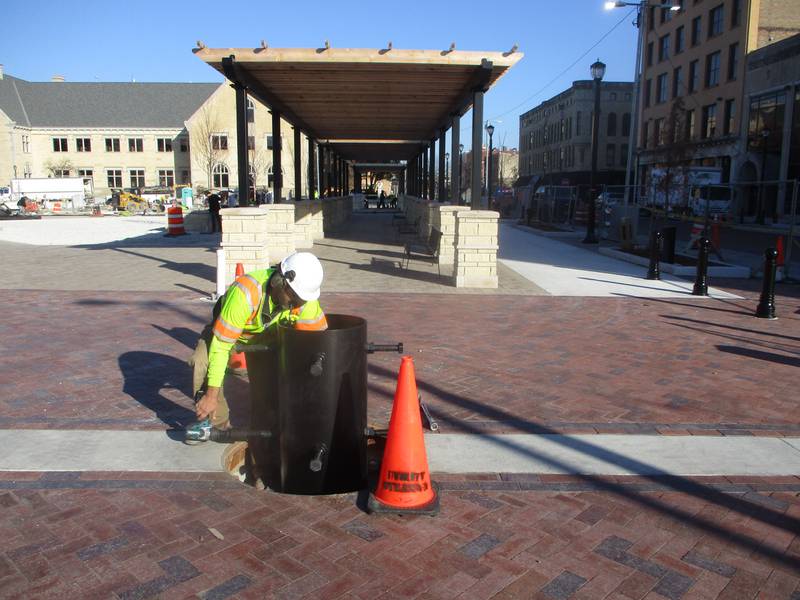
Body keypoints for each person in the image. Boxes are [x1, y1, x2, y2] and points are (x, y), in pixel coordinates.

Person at [189, 252, 328, 428]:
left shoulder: (304, 301)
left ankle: (274, 419)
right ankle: (216, 424)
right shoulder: (245, 292)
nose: (297, 305)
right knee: (202, 360)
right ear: (279, 282)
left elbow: (318, 341)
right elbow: (221, 346)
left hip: (268, 338)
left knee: (270, 392)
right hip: (231, 335)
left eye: (302, 300)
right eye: (294, 298)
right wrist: (211, 395)